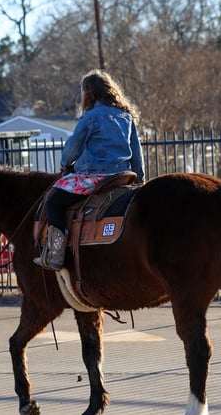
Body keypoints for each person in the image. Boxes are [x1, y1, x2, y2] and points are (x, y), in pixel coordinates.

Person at [34, 69, 144, 271]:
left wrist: (65, 163)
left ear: (89, 93)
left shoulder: (90, 118)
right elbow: (137, 155)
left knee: (54, 202)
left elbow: (73, 148)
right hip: (122, 176)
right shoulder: (126, 116)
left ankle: (56, 255)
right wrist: (139, 180)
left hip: (95, 176)